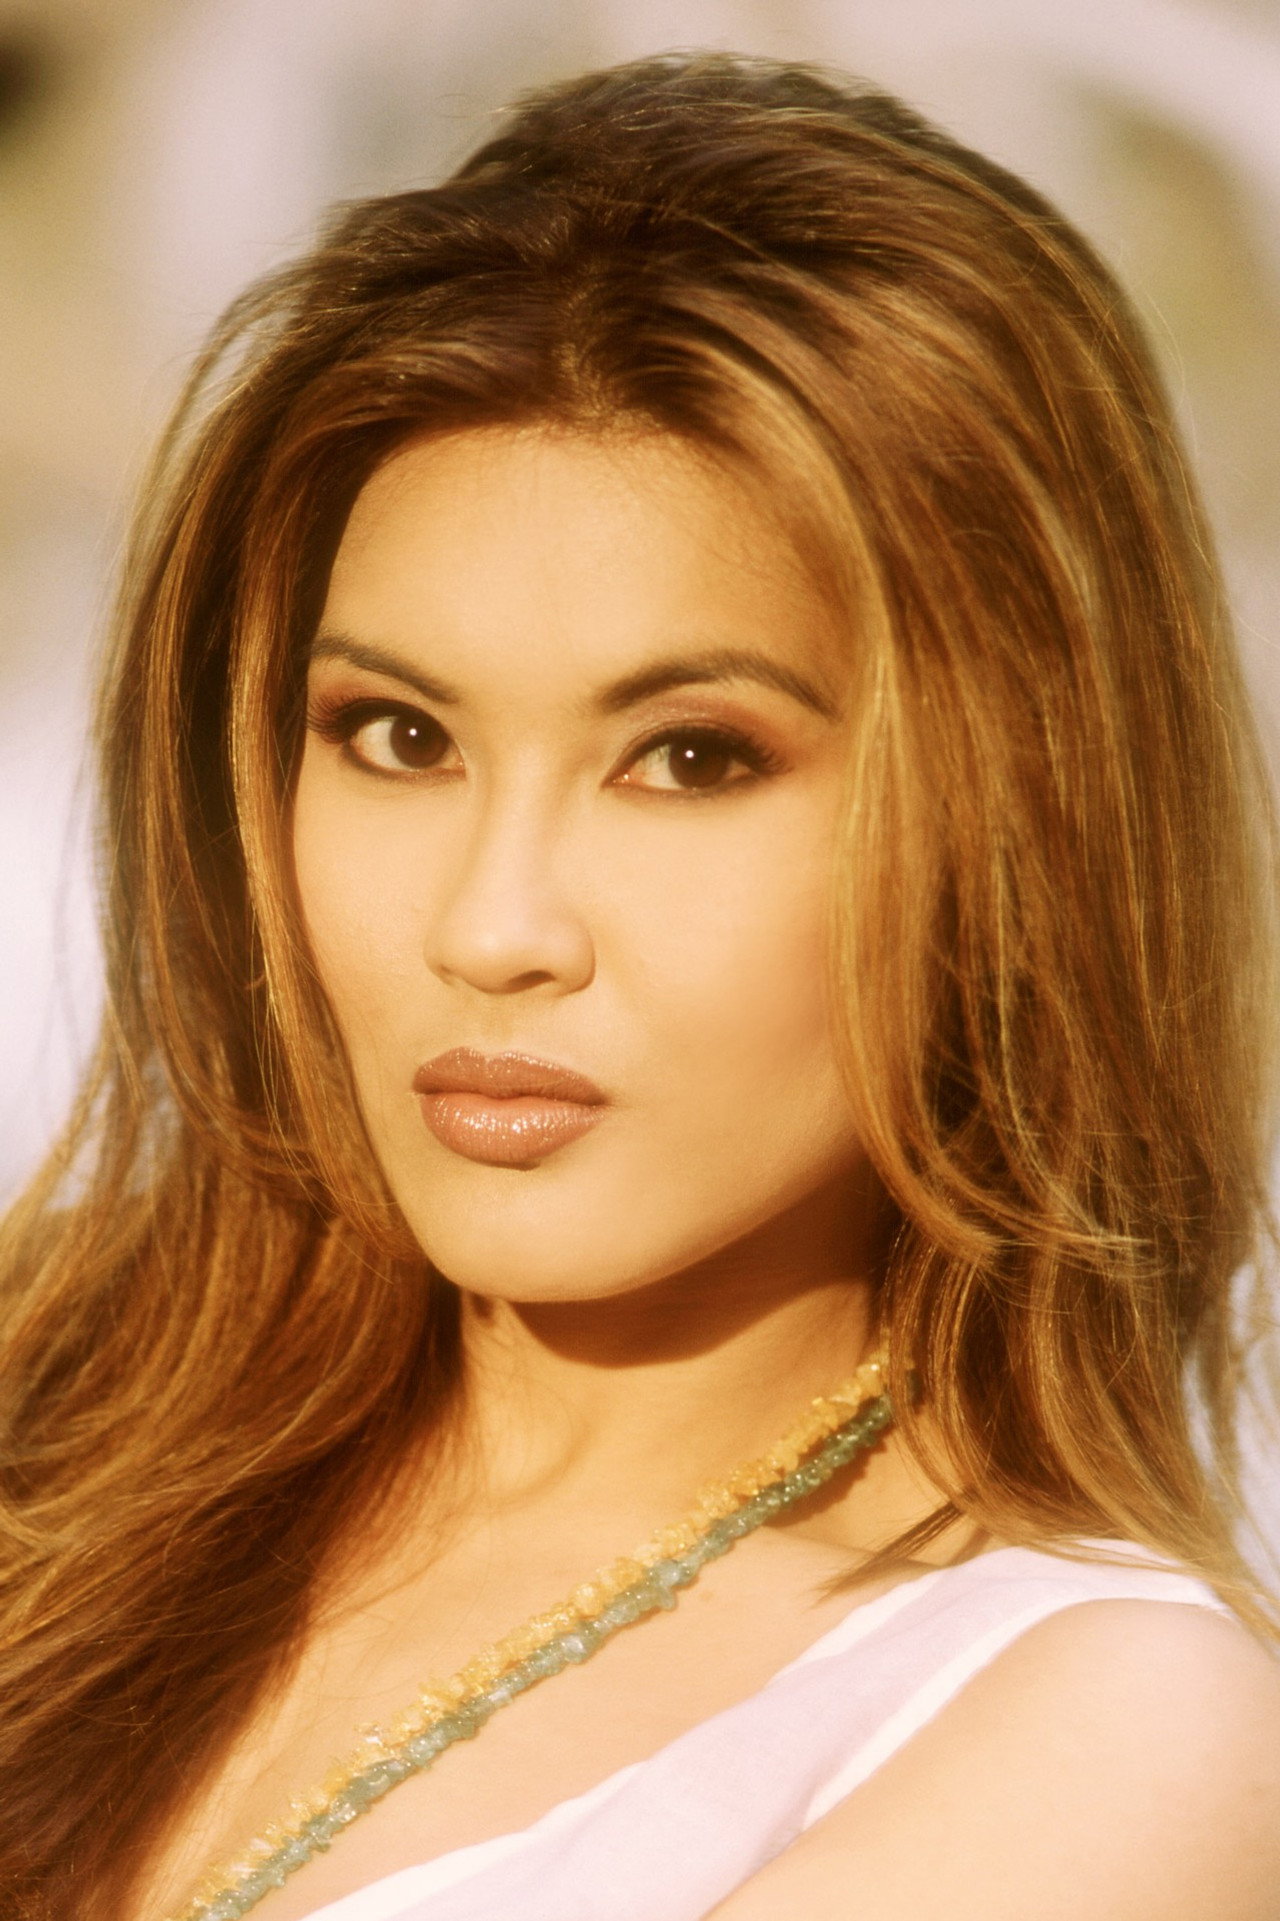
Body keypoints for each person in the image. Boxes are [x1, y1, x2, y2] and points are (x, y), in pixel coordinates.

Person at [2, 48, 1279, 1921]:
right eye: (399, 735)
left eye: (689, 759)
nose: (492, 924)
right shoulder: (52, 1403)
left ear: (1021, 820)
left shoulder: (1106, 1733)